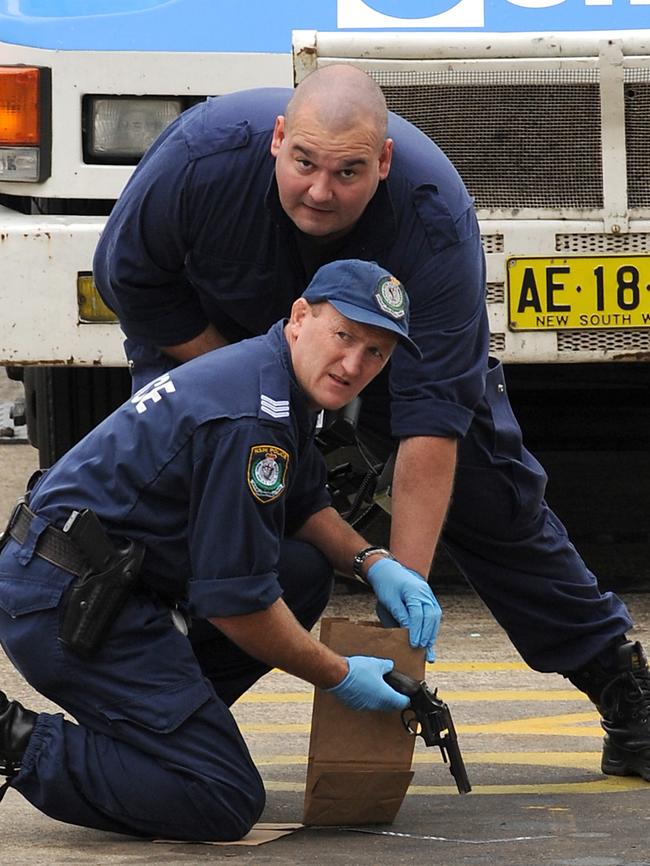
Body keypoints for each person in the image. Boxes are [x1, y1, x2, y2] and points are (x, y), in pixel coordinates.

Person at [92, 65, 650, 782]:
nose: (320, 192)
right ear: (277, 141)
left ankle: (617, 679)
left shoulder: (432, 219)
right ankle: (154, 712)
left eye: (349, 172)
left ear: (382, 164)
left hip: (383, 337)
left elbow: (432, 430)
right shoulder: (198, 162)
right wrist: (262, 401)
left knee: (492, 491)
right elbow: (132, 280)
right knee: (183, 490)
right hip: (215, 337)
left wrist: (403, 595)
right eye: (304, 165)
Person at [0, 260, 442, 841]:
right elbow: (238, 604)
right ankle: (16, 739)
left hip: (94, 578)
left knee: (303, 572)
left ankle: (167, 730)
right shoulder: (251, 420)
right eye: (345, 337)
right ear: (300, 319)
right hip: (66, 603)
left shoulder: (274, 376)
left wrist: (375, 563)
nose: (354, 365)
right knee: (224, 797)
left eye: (376, 353)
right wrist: (336, 674)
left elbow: (306, 506)